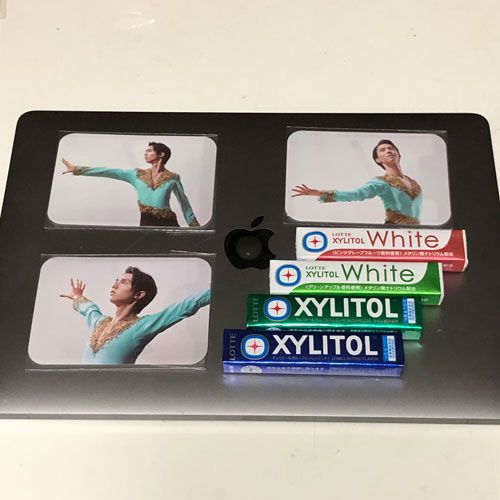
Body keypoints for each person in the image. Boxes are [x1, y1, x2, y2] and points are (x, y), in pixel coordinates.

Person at [60, 267, 210, 364]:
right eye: (116, 281)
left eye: (123, 282)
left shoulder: (141, 327)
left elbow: (184, 307)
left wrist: (217, 288)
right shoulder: (100, 323)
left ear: (139, 294)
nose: (114, 285)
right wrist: (77, 296)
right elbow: (89, 309)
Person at [62, 142, 200, 227]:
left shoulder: (173, 177)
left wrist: (195, 228)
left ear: (161, 154)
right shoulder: (137, 174)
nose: (145, 153)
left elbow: (184, 203)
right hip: (146, 221)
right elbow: (110, 172)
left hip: (169, 223)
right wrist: (77, 169)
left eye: (149, 151)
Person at [291, 139, 423, 225]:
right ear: (377, 159)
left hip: (417, 233)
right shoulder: (381, 183)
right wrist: (320, 193)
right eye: (382, 150)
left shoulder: (414, 183)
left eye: (391, 148)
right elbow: (355, 195)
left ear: (398, 154)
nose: (388, 151)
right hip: (394, 231)